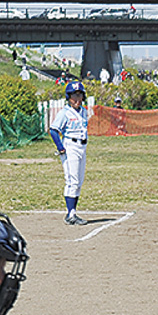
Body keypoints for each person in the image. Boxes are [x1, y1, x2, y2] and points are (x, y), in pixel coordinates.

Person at [50, 81, 90, 226]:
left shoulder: (84, 111)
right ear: (68, 97)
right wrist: (60, 147)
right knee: (72, 180)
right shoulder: (65, 113)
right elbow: (53, 130)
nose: (77, 99)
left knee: (79, 181)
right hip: (70, 146)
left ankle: (72, 212)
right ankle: (70, 214)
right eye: (74, 96)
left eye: (79, 95)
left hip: (82, 146)